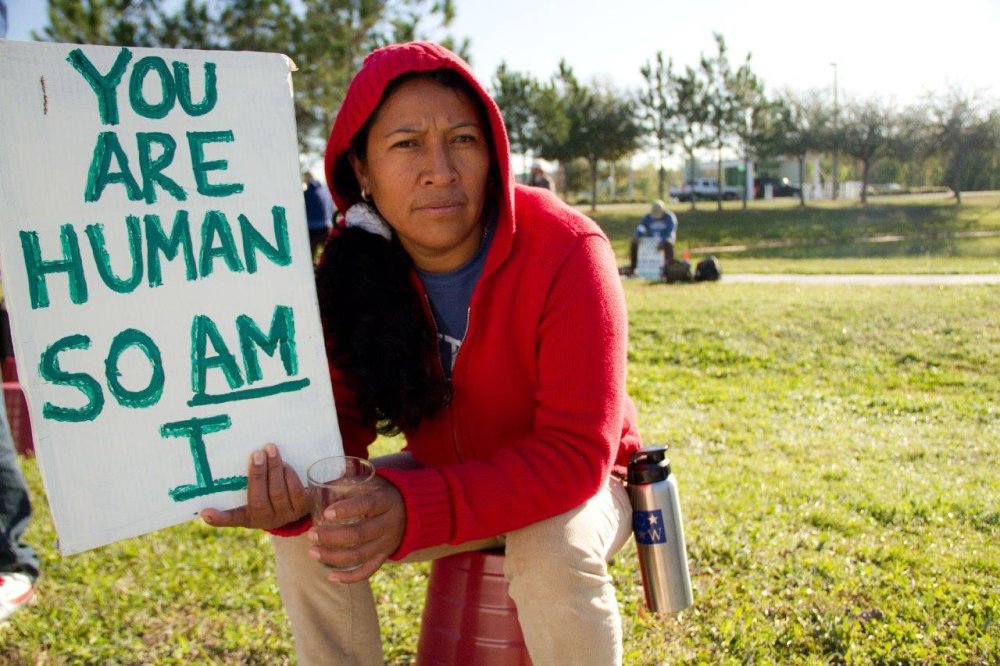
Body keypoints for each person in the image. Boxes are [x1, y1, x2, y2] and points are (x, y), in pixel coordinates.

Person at [202, 41, 642, 665]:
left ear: (493, 154)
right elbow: (337, 431)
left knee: (550, 552)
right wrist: (297, 491)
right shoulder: (355, 265)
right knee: (316, 532)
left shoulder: (566, 248)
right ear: (362, 170)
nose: (440, 169)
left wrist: (412, 507)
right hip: (445, 469)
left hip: (582, 487)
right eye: (406, 144)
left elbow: (575, 456)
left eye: (462, 139)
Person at [624, 199, 678, 276]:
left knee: (668, 244)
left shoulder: (669, 218)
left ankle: (668, 269)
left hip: (665, 240)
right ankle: (633, 268)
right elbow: (641, 228)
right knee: (634, 243)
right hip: (651, 241)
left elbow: (669, 232)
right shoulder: (647, 218)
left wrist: (662, 242)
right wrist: (637, 236)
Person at [302, 171, 335, 261]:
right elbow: (331, 208)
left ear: (307, 180)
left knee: (310, 257)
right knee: (329, 256)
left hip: (312, 229)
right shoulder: (326, 191)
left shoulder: (306, 194)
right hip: (327, 227)